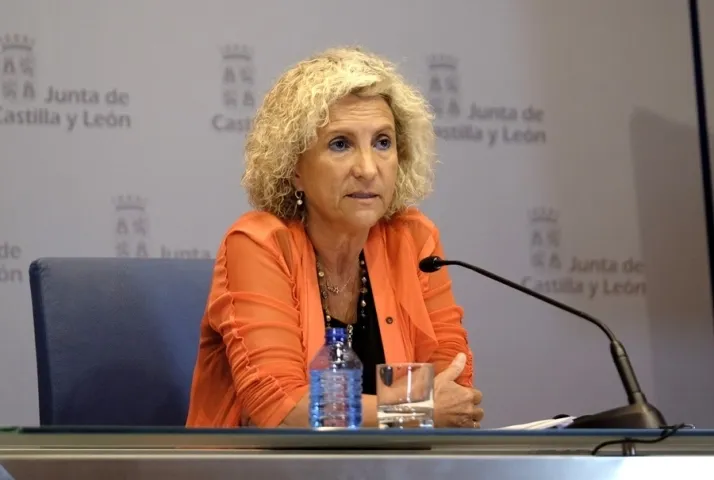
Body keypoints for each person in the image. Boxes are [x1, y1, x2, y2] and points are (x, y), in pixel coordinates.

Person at [186, 46, 483, 429]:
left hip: (390, 462)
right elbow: (282, 410)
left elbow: (453, 386)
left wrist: (423, 407)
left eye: (382, 142)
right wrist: (416, 409)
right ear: (294, 167)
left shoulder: (412, 241)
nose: (368, 169)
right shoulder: (259, 244)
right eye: (340, 144)